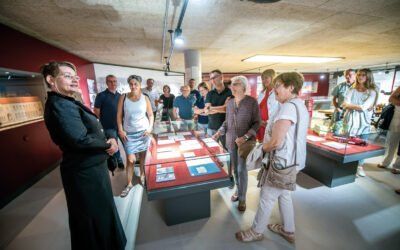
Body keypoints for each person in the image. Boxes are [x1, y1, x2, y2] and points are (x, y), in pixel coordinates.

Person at [42, 61, 126, 250]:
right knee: (93, 218)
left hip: (91, 168)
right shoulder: (59, 105)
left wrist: (108, 138)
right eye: (67, 75)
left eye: (75, 76)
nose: (74, 79)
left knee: (100, 214)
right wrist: (109, 144)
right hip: (84, 172)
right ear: (51, 80)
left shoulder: (67, 101)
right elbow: (79, 139)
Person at [235, 72, 308, 244]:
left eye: (278, 85)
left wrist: (257, 151)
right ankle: (288, 230)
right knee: (284, 195)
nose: (274, 89)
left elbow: (275, 141)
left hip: (282, 162)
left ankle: (256, 231)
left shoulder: (289, 107)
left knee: (267, 196)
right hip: (291, 161)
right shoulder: (297, 104)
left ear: (291, 87)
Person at [213, 76, 260, 212]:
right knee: (234, 170)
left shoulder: (252, 102)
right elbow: (227, 122)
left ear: (244, 87)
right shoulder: (230, 103)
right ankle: (238, 191)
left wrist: (245, 137)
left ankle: (243, 198)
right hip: (230, 141)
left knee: (241, 170)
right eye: (232, 84)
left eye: (236, 84)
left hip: (245, 144)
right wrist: (219, 132)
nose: (233, 86)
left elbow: (257, 123)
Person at [117, 75, 153, 197]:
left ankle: (142, 176)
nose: (133, 86)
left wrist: (149, 128)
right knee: (131, 160)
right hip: (129, 134)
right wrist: (121, 130)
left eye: (135, 84)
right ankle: (129, 184)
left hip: (144, 132)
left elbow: (150, 115)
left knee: (143, 157)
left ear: (139, 85)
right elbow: (119, 115)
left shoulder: (145, 98)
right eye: (131, 84)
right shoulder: (124, 97)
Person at [342, 68, 377, 177]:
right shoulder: (351, 90)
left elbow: (363, 107)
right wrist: (355, 106)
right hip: (349, 120)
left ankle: (359, 166)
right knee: (348, 143)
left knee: (362, 144)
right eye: (359, 75)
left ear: (368, 77)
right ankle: (347, 166)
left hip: (364, 122)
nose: (360, 77)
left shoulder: (371, 92)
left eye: (363, 75)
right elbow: (344, 104)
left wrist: (350, 106)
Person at [205, 69, 233, 186]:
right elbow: (207, 111)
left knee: (229, 153)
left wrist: (214, 108)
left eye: (214, 77)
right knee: (211, 152)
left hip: (227, 127)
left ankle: (230, 176)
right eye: (211, 78)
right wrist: (222, 107)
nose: (212, 80)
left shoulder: (230, 92)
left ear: (221, 77)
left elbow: (228, 109)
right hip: (212, 127)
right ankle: (215, 175)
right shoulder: (210, 94)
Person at [94, 74, 124, 169]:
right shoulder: (101, 95)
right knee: (114, 145)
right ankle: (119, 161)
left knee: (126, 143)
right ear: (107, 83)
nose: (113, 83)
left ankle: (132, 159)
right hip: (108, 127)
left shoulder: (120, 96)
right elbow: (96, 111)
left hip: (120, 126)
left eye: (114, 81)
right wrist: (100, 125)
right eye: (110, 81)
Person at [378, 86, 400, 174]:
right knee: (391, 141)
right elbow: (391, 99)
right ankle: (385, 162)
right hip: (396, 117)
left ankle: (398, 166)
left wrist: (397, 101)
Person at [256, 69, 279, 141]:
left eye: (266, 78)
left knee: (268, 145)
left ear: (273, 78)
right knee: (261, 145)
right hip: (260, 124)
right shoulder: (262, 92)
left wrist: (268, 122)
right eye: (262, 78)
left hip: (270, 124)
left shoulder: (277, 92)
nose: (264, 80)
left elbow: (278, 110)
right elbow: (257, 107)